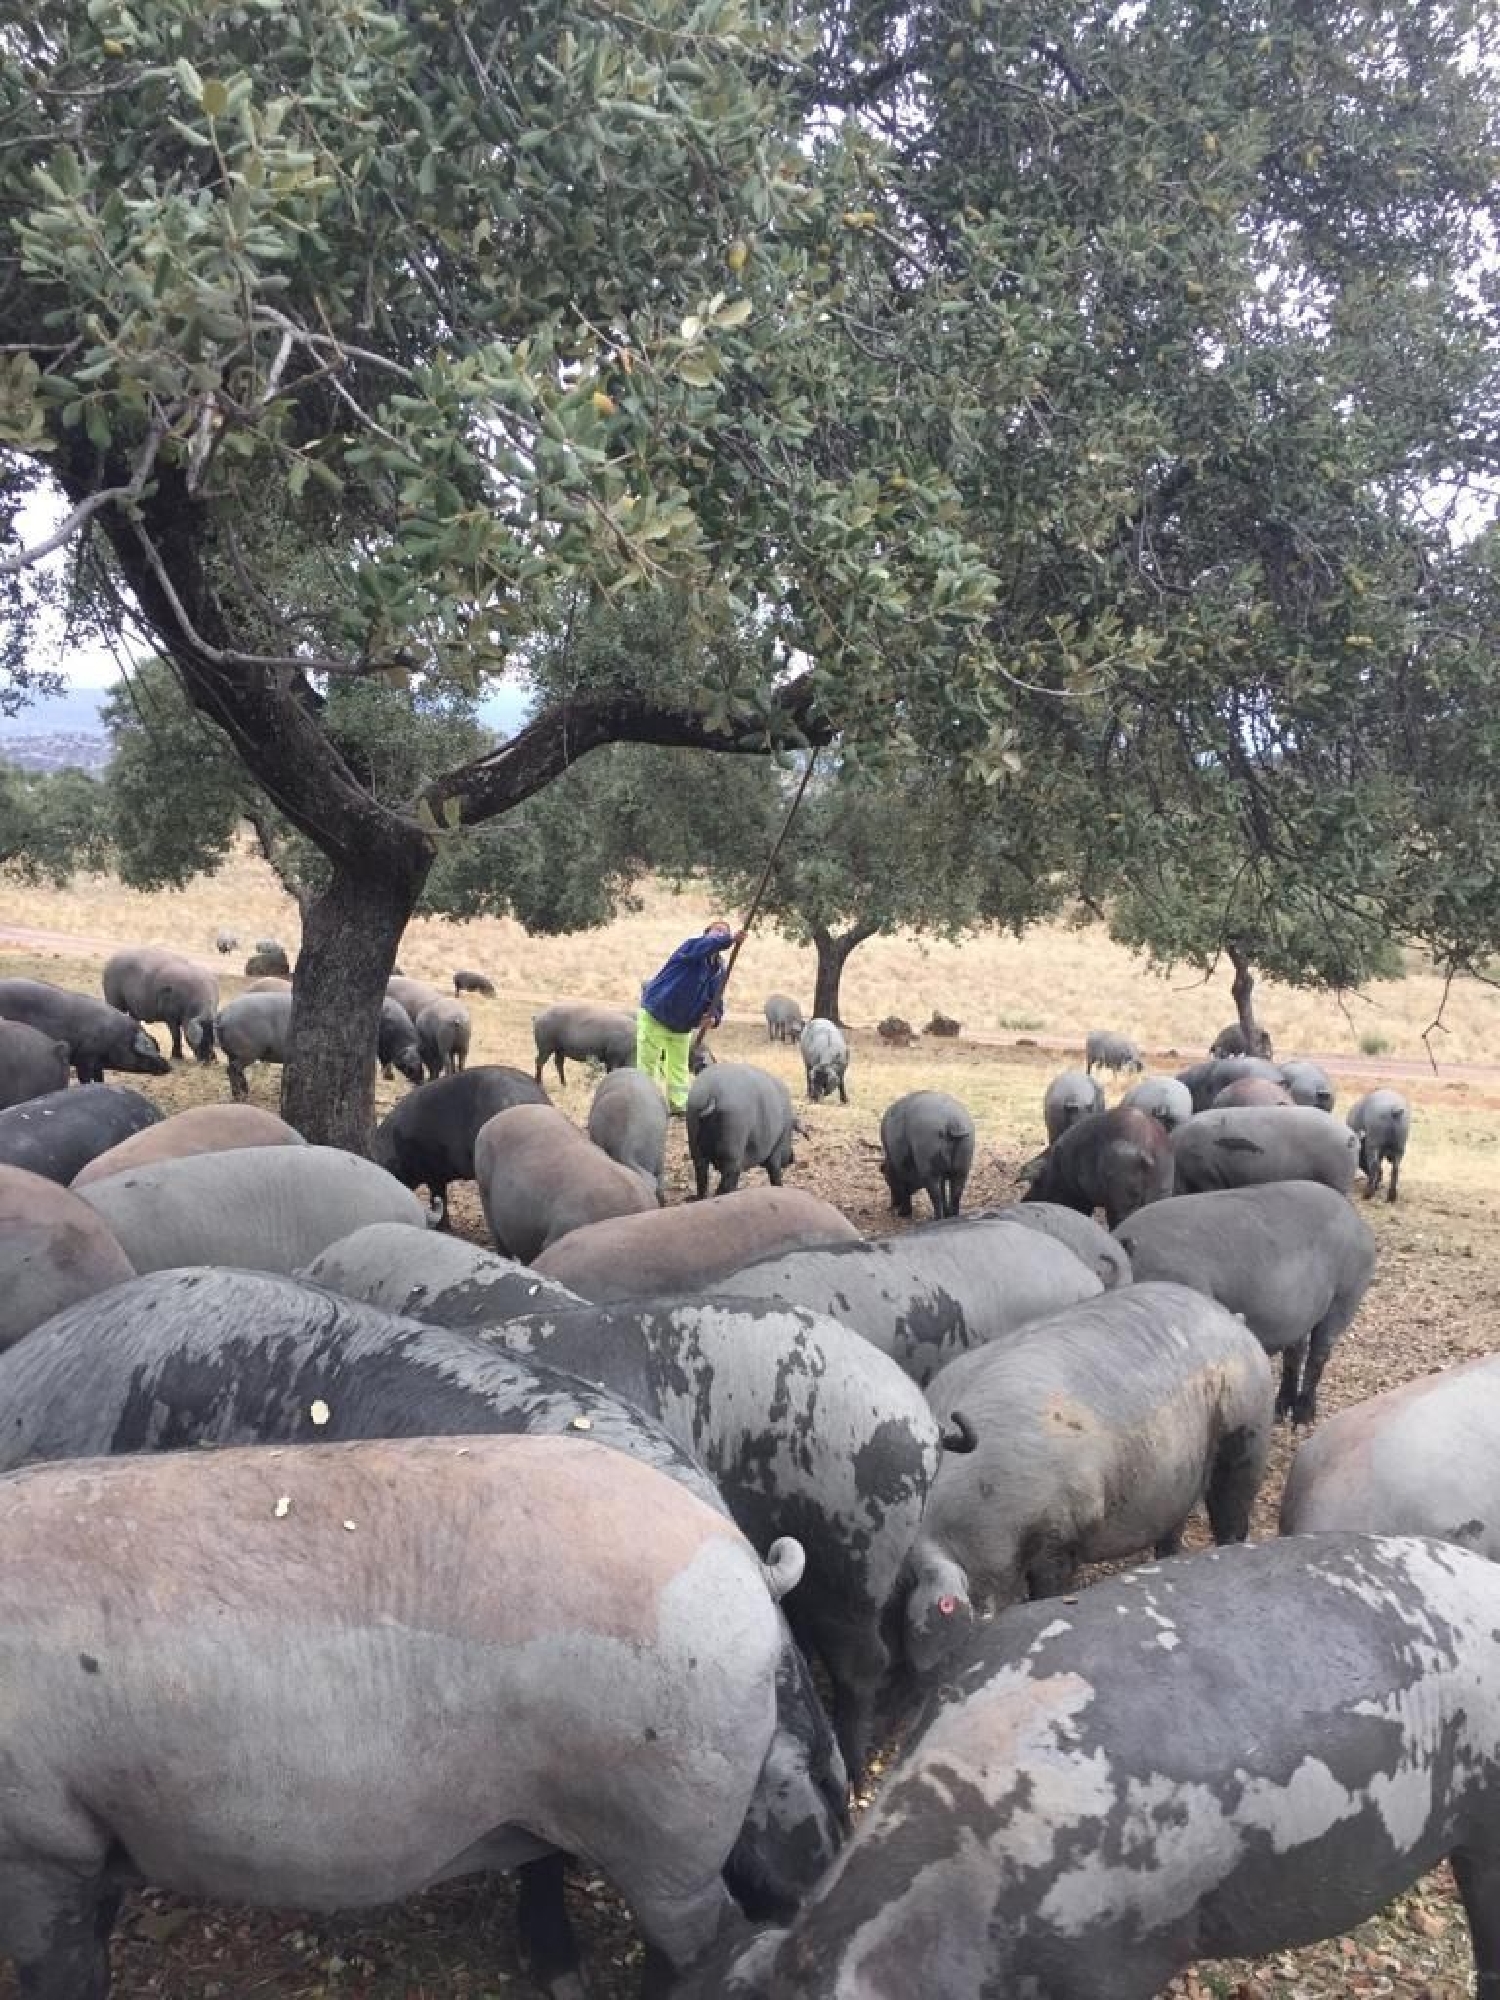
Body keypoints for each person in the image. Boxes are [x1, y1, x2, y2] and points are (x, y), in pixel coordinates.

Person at [637, 919, 746, 1114]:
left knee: (678, 1068)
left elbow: (716, 1000)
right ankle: (644, 1104)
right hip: (657, 1014)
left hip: (682, 1025)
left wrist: (714, 1019)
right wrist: (730, 939)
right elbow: (707, 945)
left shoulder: (719, 971)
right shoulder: (691, 948)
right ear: (706, 934)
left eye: (724, 931)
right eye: (716, 930)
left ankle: (678, 1106)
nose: (720, 934)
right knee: (648, 1064)